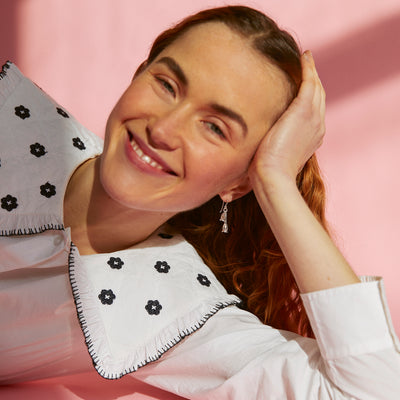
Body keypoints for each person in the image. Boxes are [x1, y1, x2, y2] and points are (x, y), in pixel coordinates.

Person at [0, 5, 399, 399]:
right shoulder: (10, 117)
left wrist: (275, 179)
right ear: (138, 74)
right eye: (167, 85)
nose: (163, 130)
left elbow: (373, 391)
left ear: (239, 184)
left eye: (214, 128)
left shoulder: (170, 310)